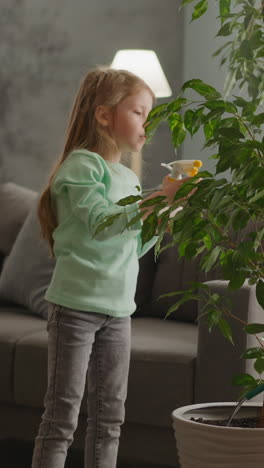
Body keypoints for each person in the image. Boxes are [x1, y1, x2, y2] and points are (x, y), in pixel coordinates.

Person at [31, 67, 184, 468]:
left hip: (118, 313)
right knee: (62, 418)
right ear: (103, 115)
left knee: (110, 420)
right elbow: (101, 223)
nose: (146, 124)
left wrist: (162, 213)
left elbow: (129, 245)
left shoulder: (129, 181)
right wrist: (156, 200)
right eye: (138, 112)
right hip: (75, 310)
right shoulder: (82, 167)